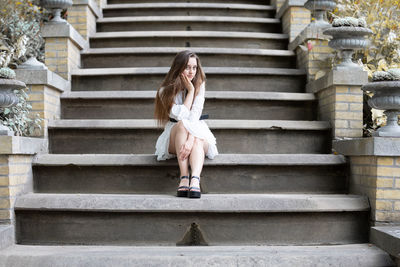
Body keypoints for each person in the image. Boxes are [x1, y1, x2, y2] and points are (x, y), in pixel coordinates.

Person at [154, 50, 218, 199]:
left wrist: (191, 139)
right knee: (182, 124)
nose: (191, 72)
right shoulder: (164, 91)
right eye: (187, 67)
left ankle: (195, 179)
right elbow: (181, 115)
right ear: (178, 67)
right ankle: (184, 176)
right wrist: (190, 91)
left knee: (197, 139)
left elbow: (195, 114)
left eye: (194, 68)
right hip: (175, 133)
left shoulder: (200, 85)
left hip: (196, 129)